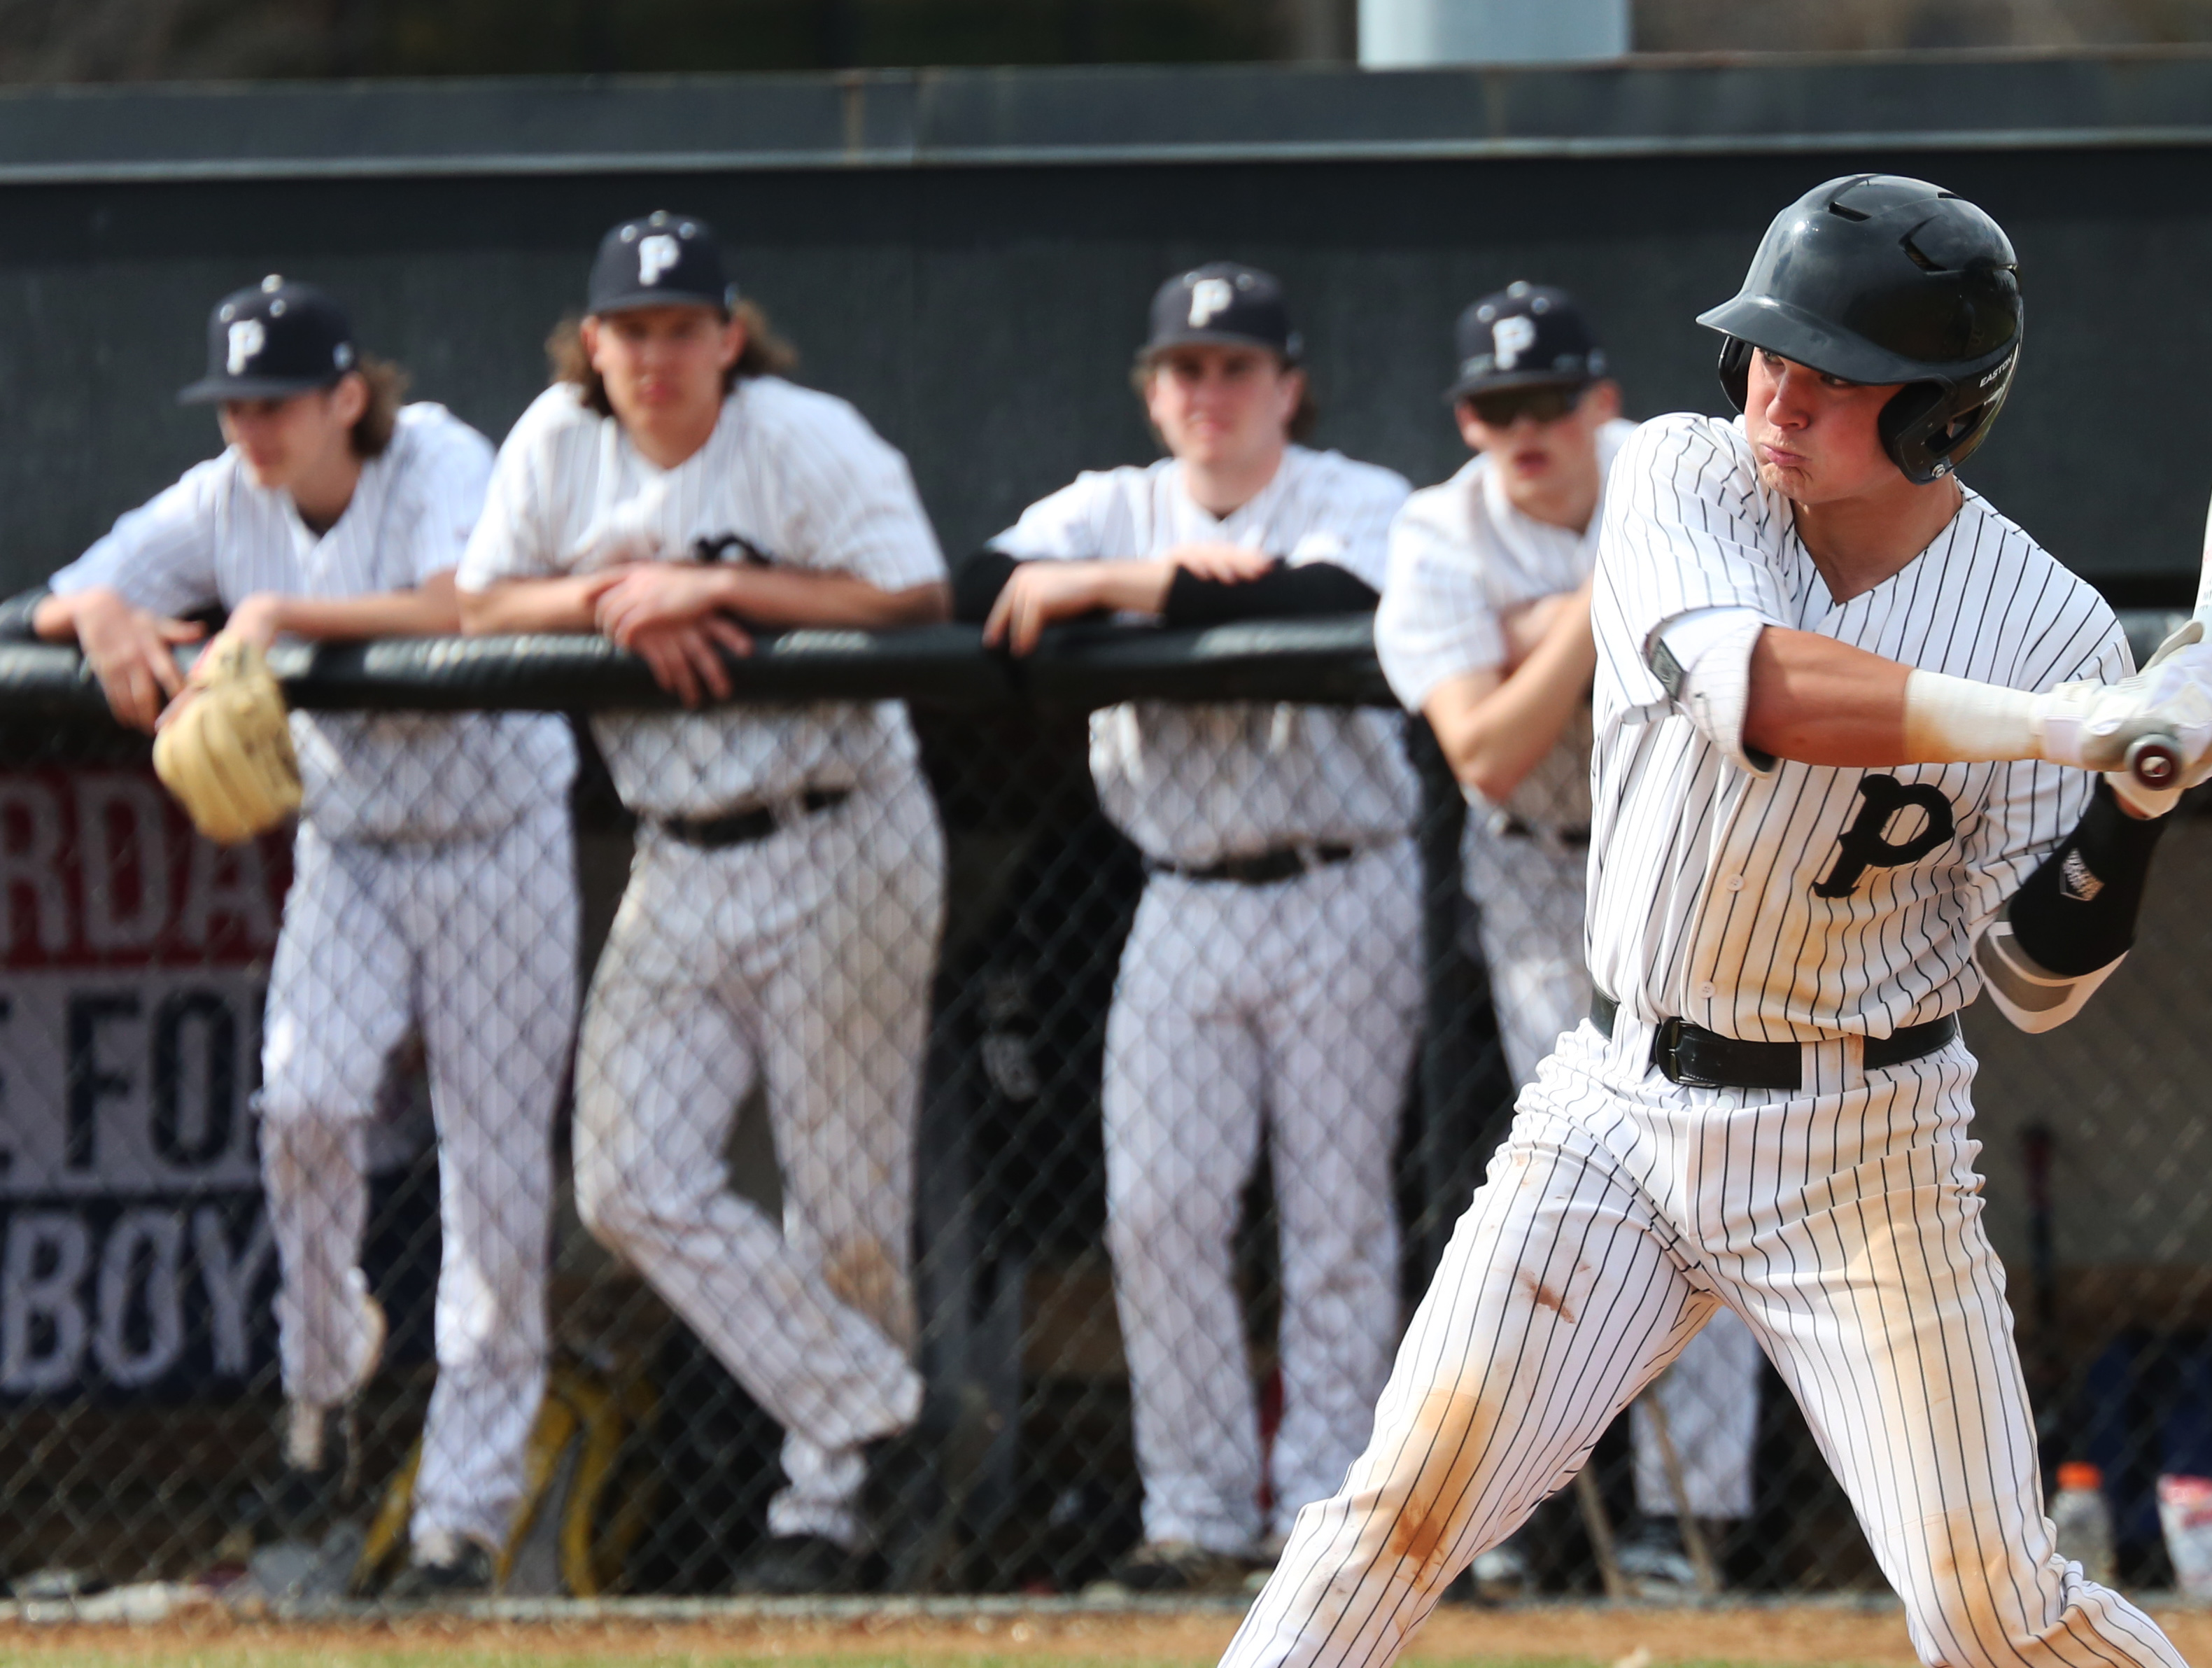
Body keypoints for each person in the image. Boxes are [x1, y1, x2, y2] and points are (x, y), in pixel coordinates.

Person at [990, 175, 2212, 1668]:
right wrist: (2073, 733)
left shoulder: (2052, 623)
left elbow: (2038, 978)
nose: (1777, 388)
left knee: (1988, 1610)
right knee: (1400, 1502)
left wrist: (2138, 800)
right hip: (1615, 1105)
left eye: (1830, 371)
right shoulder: (1683, 471)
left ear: (1939, 411)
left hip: (1866, 1148)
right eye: (1770, 347)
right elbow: (1751, 693)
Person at [36, 278, 572, 1601]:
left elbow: (467, 602)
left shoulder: (439, 451)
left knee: (494, 1190)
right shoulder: (225, 491)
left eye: (275, 402)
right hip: (354, 852)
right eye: (234, 405)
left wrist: (275, 619)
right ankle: (322, 1387)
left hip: (495, 842)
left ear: (345, 396)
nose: (251, 428)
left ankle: (460, 1517)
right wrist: (94, 612)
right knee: (306, 1112)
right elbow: (83, 586)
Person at [456, 211, 950, 1595]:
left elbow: (913, 588)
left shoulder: (801, 433)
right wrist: (619, 597)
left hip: (838, 825)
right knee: (625, 1182)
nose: (656, 354)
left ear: (728, 337)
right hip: (677, 848)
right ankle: (877, 1410)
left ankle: (831, 1512)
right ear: (592, 343)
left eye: (684, 329)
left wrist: (718, 581)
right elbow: (480, 605)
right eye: (633, 331)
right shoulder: (556, 447)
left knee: (844, 1204)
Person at [955, 263, 1413, 1596]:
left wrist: (1120, 595)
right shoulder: (1114, 506)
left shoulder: (1353, 496)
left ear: (1288, 385)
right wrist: (1151, 573)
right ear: (1155, 393)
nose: (1210, 393)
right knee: (1158, 1212)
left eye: (1237, 368)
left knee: (1332, 1221)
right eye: (1187, 371)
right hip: (1183, 888)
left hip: (1344, 881)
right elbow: (979, 586)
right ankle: (1197, 1512)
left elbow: (1333, 606)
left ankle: (1319, 1514)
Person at [1375, 281, 1762, 1597]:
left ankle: (1689, 1513)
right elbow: (1484, 750)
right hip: (1543, 873)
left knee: (1707, 1183)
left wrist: (1548, 624)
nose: (1526, 429)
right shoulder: (1439, 526)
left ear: (1601, 401)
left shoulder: (1675, 469)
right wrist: (1612, 596)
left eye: (1551, 402)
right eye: (1498, 407)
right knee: (1574, 1197)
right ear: (1468, 421)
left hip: (1696, 861)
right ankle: (1521, 1511)